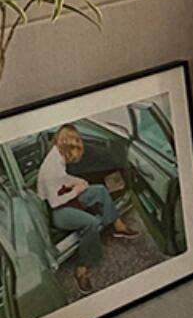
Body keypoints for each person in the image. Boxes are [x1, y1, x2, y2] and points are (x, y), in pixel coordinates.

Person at [36, 124, 139, 295]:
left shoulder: (57, 155)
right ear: (67, 147)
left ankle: (118, 226)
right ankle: (81, 270)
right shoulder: (50, 168)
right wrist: (77, 190)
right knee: (90, 223)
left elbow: (62, 178)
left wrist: (76, 181)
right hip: (55, 210)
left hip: (65, 195)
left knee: (100, 190)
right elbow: (54, 202)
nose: (75, 157)